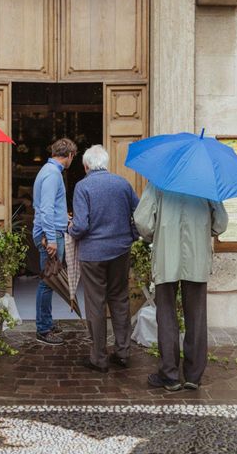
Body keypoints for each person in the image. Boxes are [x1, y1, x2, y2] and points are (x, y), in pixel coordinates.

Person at [134, 184, 228, 391]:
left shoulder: (159, 183)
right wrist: (204, 231)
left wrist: (155, 236)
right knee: (197, 315)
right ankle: (194, 375)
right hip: (197, 257)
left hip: (166, 256)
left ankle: (170, 375)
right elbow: (221, 224)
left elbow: (142, 220)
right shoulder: (206, 185)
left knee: (166, 315)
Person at [69, 145, 139, 373]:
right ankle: (123, 352)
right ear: (106, 163)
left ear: (87, 165)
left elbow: (81, 226)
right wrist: (133, 236)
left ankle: (99, 358)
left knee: (96, 303)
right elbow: (140, 215)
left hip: (92, 254)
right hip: (120, 249)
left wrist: (70, 229)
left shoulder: (83, 186)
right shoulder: (123, 184)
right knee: (119, 299)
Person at [32, 137, 78, 345]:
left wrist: (63, 218)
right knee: (47, 281)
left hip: (49, 231)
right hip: (49, 235)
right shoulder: (52, 175)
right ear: (68, 155)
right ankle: (43, 329)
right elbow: (46, 209)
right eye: (73, 157)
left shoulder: (48, 171)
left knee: (48, 280)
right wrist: (51, 238)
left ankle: (46, 322)